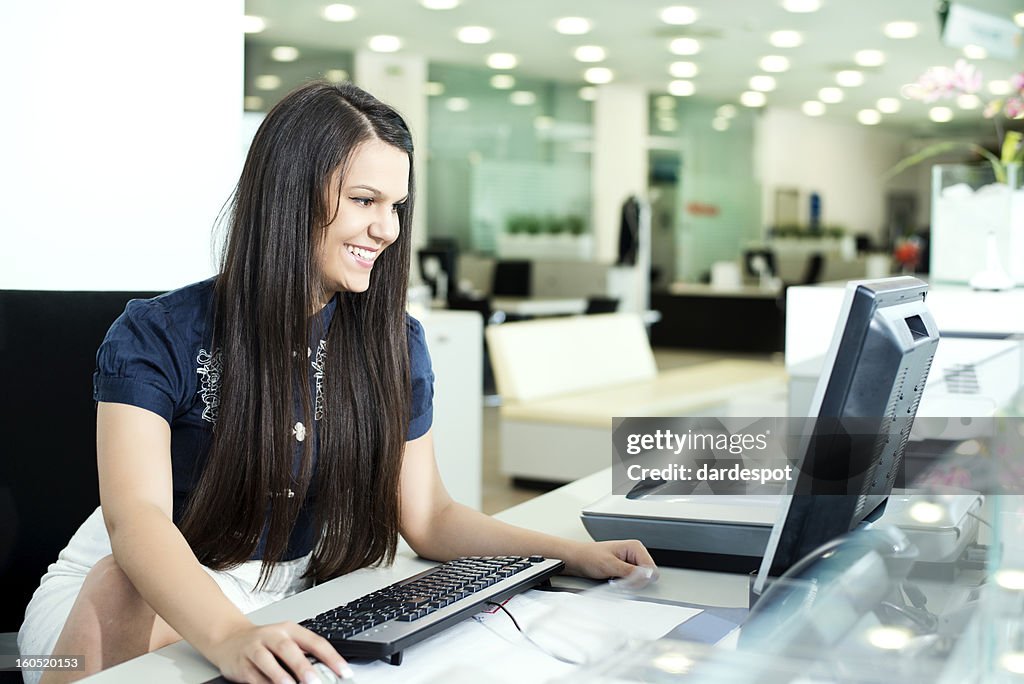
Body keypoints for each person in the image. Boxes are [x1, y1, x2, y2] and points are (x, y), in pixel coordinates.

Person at [18, 81, 656, 684]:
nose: (389, 229)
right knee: (122, 581)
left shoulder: (393, 341)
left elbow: (429, 517)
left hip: (285, 592)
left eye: (397, 206)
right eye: (364, 200)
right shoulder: (158, 334)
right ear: (289, 195)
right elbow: (137, 522)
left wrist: (568, 553)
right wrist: (231, 633)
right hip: (126, 592)